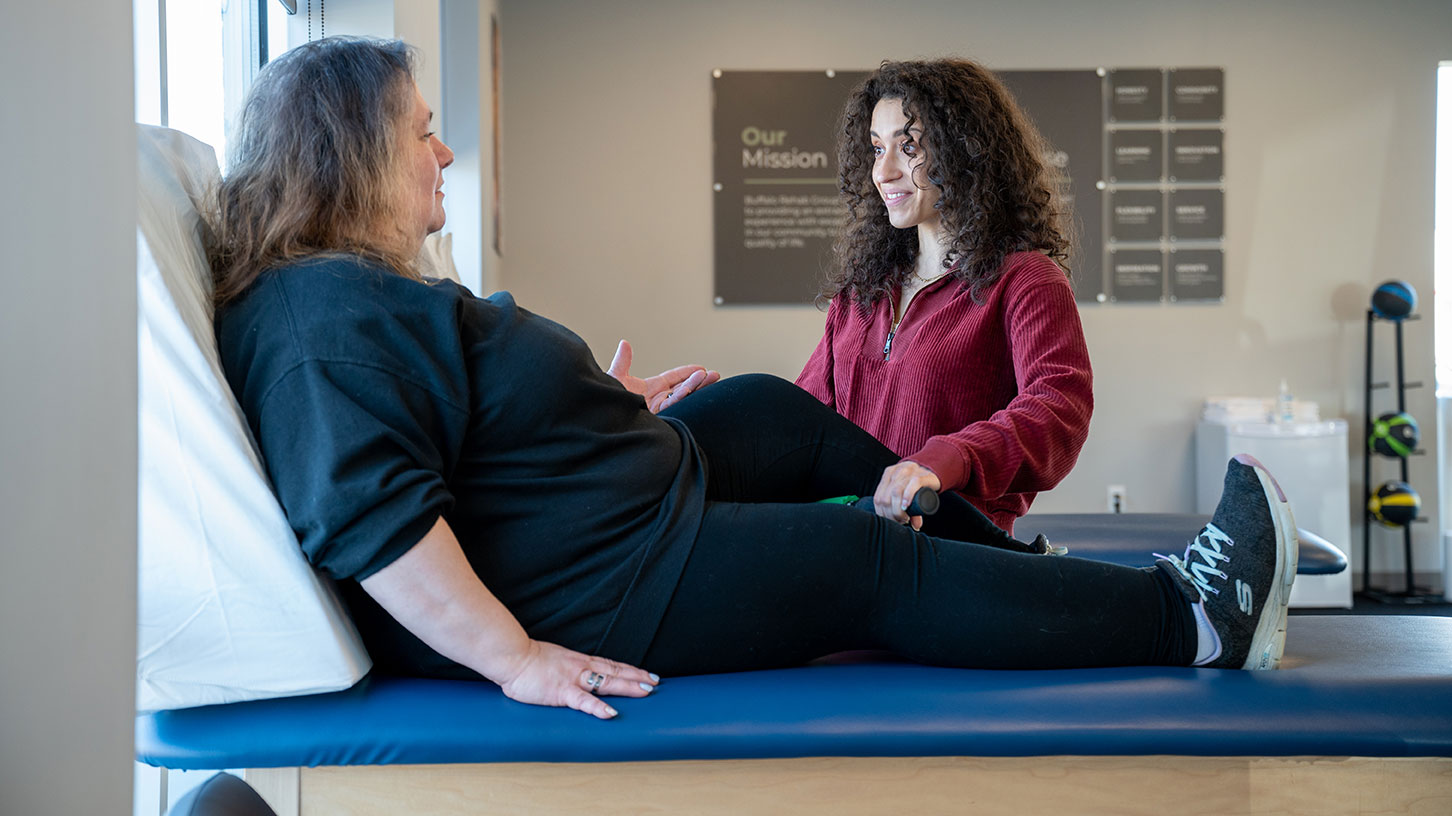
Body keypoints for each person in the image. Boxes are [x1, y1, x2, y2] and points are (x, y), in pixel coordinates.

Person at [210, 37, 1297, 722]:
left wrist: (594, 412)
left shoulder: (347, 289)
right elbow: (373, 517)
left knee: (778, 413)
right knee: (857, 558)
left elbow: (444, 429)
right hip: (617, 572)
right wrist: (514, 660)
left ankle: (1013, 571)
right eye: (423, 134)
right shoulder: (316, 323)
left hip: (623, 491)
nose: (443, 156)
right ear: (349, 152)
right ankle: (1192, 616)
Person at [797, 59, 1092, 536]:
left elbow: (1057, 411)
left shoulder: (1025, 281)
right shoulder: (861, 295)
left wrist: (943, 461)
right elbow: (803, 421)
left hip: (955, 549)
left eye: (907, 146)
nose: (884, 171)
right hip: (856, 545)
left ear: (964, 152)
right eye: (876, 148)